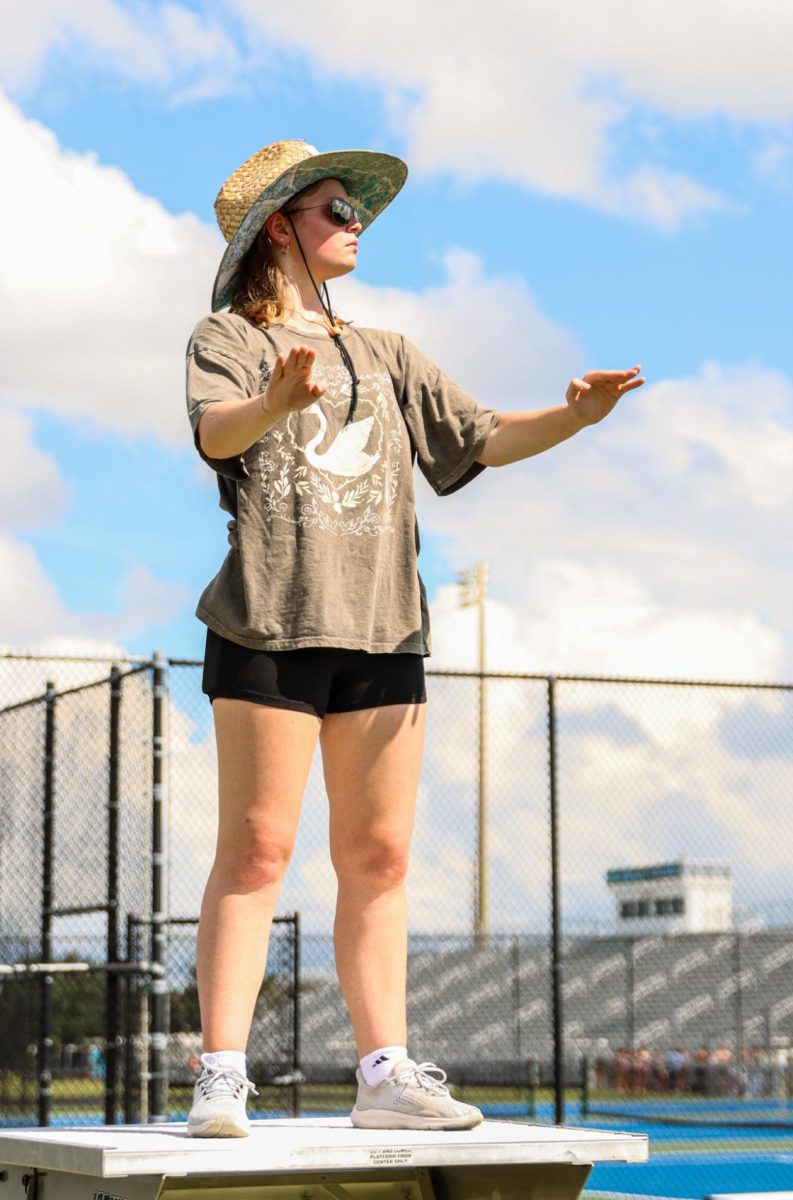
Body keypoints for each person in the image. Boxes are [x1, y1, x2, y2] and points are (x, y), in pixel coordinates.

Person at [185, 139, 645, 1137]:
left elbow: (482, 438)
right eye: (336, 210)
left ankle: (383, 1073)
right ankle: (220, 1072)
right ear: (281, 226)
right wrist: (274, 401)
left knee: (382, 857)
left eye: (357, 211)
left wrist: (577, 415)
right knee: (259, 849)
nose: (355, 224)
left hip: (385, 627)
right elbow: (218, 431)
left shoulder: (387, 350)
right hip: (269, 621)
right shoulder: (227, 336)